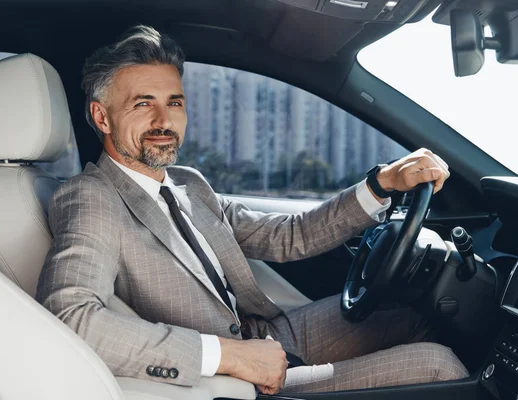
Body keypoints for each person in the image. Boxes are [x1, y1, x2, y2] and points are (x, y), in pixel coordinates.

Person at [36, 25, 467, 394]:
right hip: (227, 381)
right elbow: (71, 318)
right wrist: (228, 356)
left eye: (175, 102)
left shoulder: (187, 183)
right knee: (439, 366)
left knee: (408, 319)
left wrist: (381, 184)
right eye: (143, 103)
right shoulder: (92, 197)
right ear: (102, 117)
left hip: (261, 333)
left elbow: (288, 236)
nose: (165, 120)